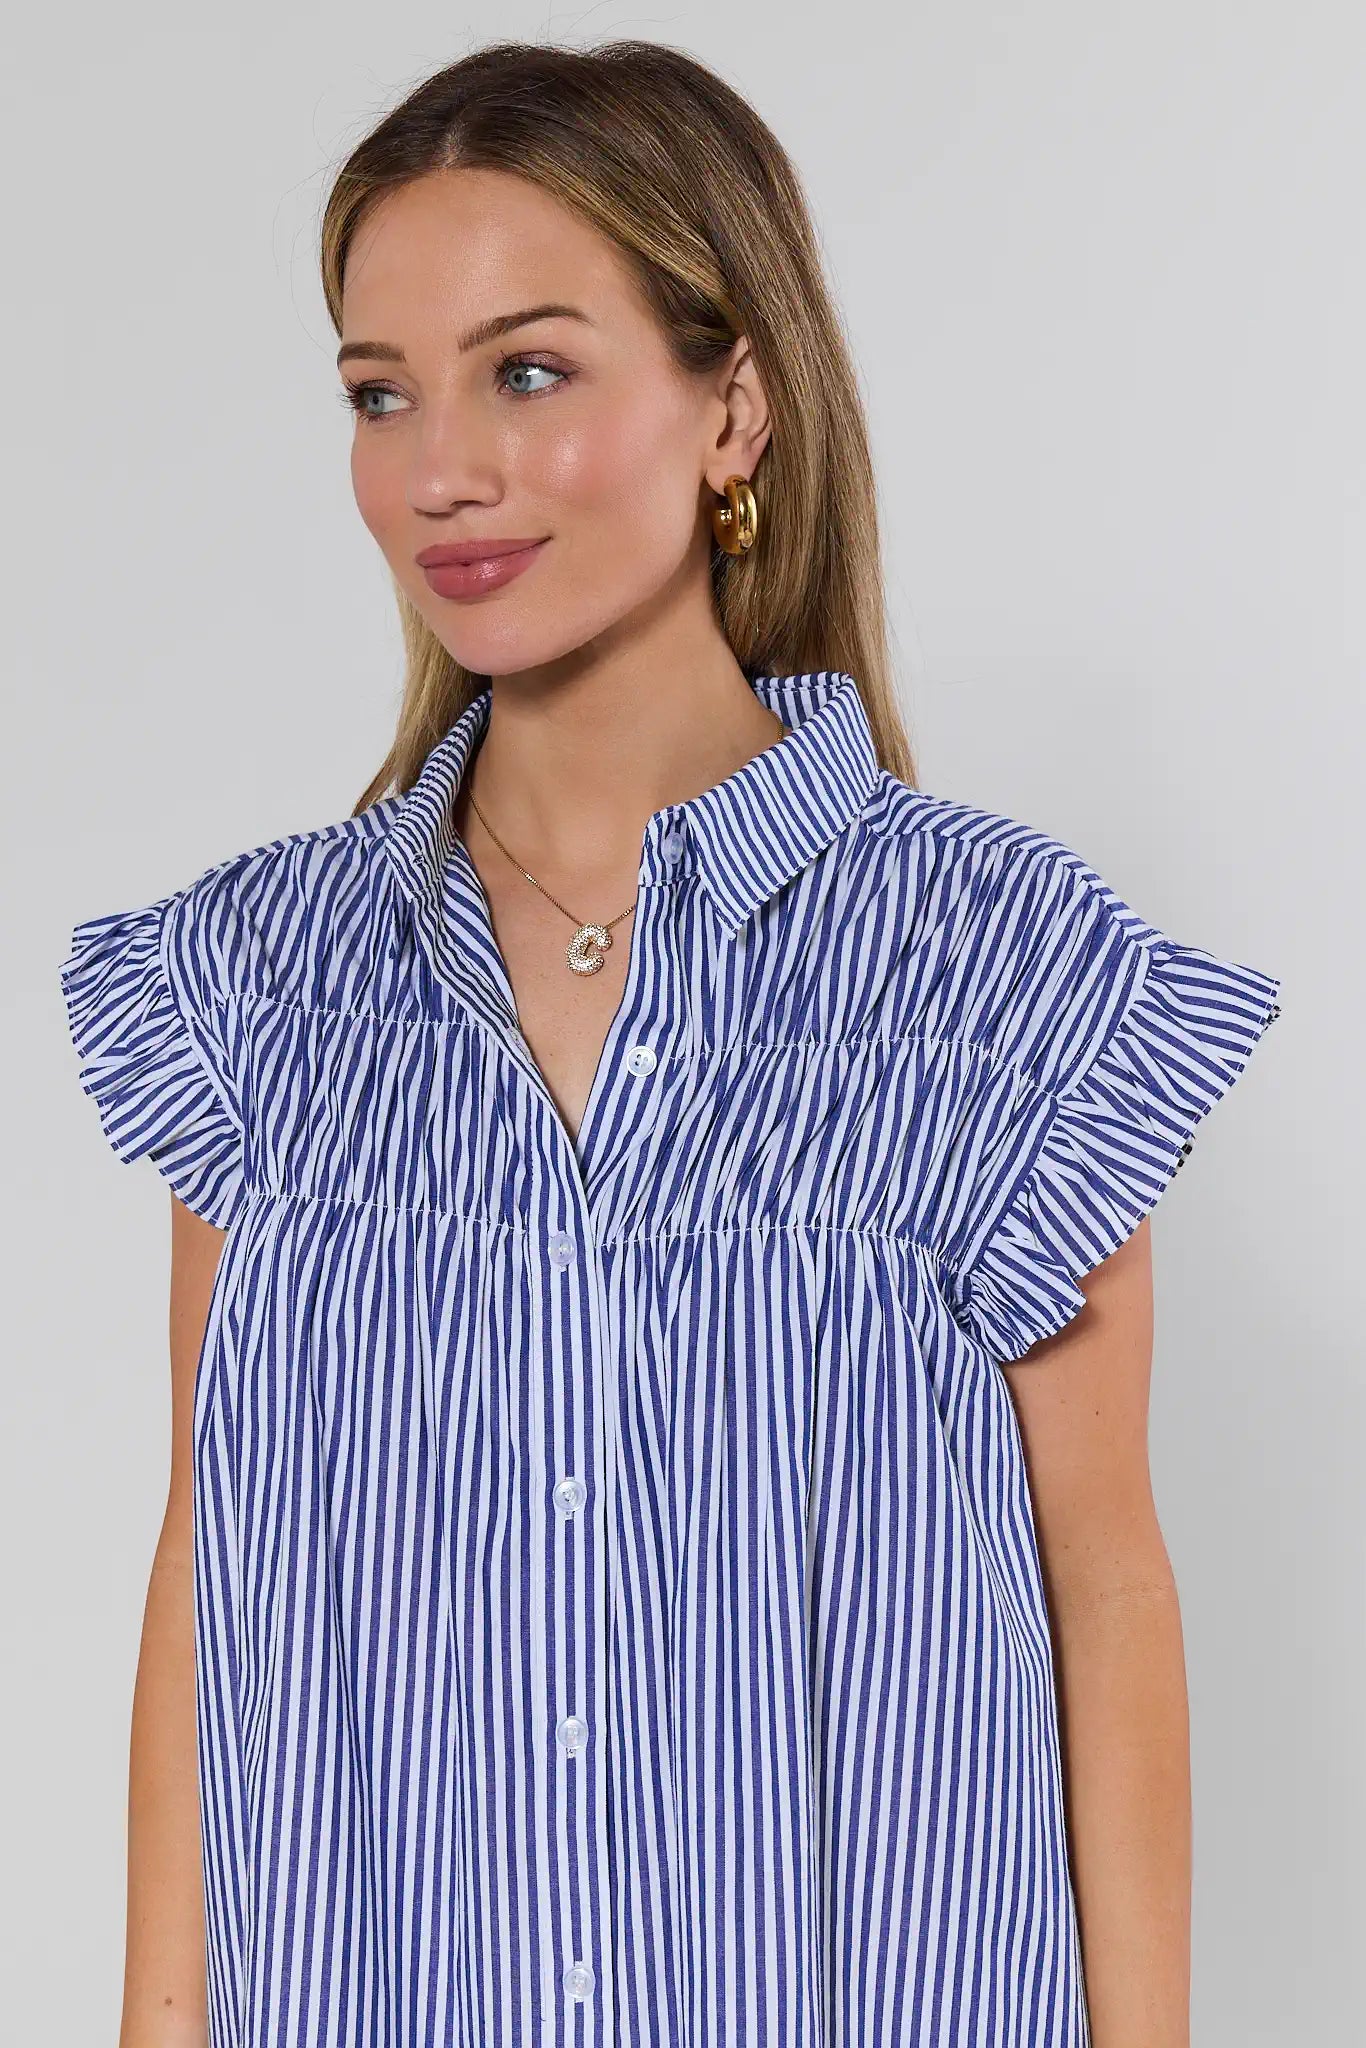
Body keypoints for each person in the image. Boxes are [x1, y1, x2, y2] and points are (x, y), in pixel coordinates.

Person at [59, 37, 1282, 2048]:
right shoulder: (259, 997)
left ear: (734, 404)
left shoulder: (993, 979)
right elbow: (213, 1584)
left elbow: (1103, 1600)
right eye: (381, 392)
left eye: (523, 369)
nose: (436, 464)